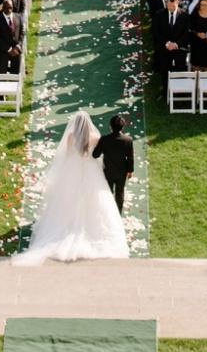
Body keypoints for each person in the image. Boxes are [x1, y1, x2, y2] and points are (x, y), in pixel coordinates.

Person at [13, 112, 130, 264]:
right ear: (88, 123)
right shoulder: (95, 135)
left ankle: (67, 222)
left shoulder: (70, 137)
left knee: (69, 196)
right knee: (95, 198)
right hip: (90, 170)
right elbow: (96, 154)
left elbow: (68, 154)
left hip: (73, 169)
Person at [92, 115, 135, 213]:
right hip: (122, 172)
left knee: (107, 192)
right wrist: (130, 171)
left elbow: (95, 155)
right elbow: (130, 157)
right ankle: (118, 213)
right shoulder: (128, 140)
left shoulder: (104, 139)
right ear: (123, 127)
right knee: (120, 193)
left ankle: (108, 213)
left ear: (110, 126)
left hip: (108, 171)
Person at [155, 0, 190, 71]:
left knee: (180, 71)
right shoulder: (159, 15)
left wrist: (176, 44)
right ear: (166, 3)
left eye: (173, 6)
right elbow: (157, 32)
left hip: (179, 49)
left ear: (177, 3)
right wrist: (166, 43)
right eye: (169, 6)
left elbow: (186, 33)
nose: (171, 8)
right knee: (165, 70)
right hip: (164, 49)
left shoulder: (185, 16)